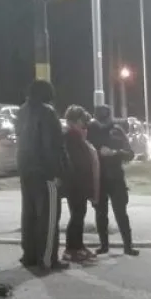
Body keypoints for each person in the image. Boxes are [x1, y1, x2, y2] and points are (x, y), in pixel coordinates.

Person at [15, 79, 67, 272]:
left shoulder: (22, 111)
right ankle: (47, 259)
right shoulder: (48, 112)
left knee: (28, 214)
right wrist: (56, 172)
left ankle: (29, 255)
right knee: (49, 216)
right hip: (45, 172)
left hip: (25, 170)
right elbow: (51, 146)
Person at [88, 105, 138, 256]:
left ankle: (128, 246)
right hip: (98, 178)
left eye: (104, 119)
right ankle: (104, 246)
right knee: (100, 213)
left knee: (121, 213)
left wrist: (114, 153)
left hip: (116, 177)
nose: (102, 123)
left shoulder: (117, 130)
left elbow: (130, 154)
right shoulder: (91, 131)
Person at [61, 105, 100, 263]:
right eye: (82, 120)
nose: (85, 124)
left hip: (80, 183)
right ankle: (71, 249)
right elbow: (75, 162)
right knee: (76, 216)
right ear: (74, 120)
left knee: (79, 215)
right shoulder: (70, 136)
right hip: (75, 184)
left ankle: (79, 246)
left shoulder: (77, 135)